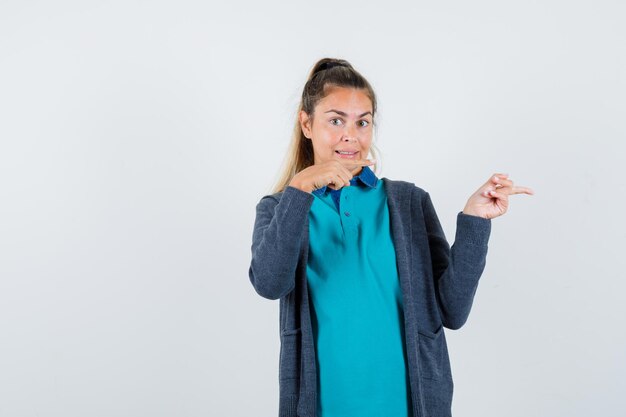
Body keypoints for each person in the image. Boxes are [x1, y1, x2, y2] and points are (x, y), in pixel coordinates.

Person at [248, 57, 534, 417]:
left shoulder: (409, 202)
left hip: (407, 405)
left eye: (362, 122)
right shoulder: (280, 208)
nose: (350, 135)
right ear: (306, 124)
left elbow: (453, 310)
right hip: (323, 406)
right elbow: (269, 283)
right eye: (335, 120)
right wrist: (300, 189)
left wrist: (475, 219)